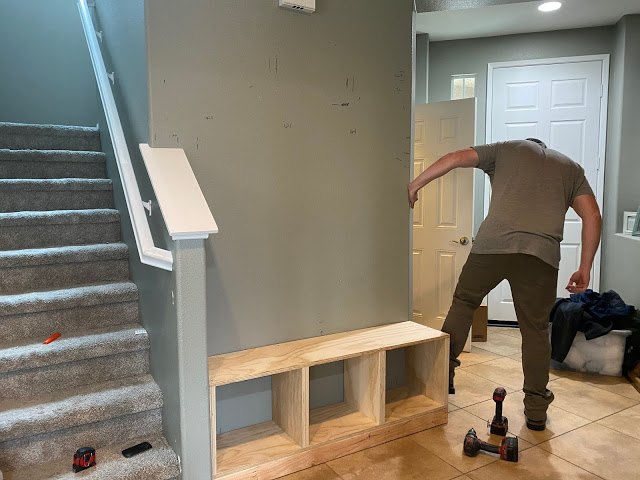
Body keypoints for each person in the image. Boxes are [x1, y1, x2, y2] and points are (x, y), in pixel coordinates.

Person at [407, 138, 601, 431]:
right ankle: (536, 411)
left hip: (491, 247)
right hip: (541, 256)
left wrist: (416, 184)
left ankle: (441, 376)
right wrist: (585, 267)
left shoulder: (506, 149)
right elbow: (592, 215)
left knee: (464, 304)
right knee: (535, 331)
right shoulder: (570, 168)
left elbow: (455, 157)